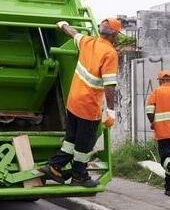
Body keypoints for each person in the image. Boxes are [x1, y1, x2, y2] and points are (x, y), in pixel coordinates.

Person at [42, 18, 120, 187]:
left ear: (101, 31)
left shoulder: (88, 42)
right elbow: (109, 85)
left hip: (73, 101)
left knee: (71, 139)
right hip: (89, 106)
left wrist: (62, 24)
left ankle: (54, 166)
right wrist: (111, 111)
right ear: (115, 34)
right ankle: (79, 176)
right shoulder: (110, 53)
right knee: (84, 144)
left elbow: (73, 33)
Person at [146, 70, 170, 196]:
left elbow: (149, 111)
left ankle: (169, 187)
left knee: (166, 159)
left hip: (163, 132)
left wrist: (153, 123)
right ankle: (168, 187)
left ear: (160, 81)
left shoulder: (156, 92)